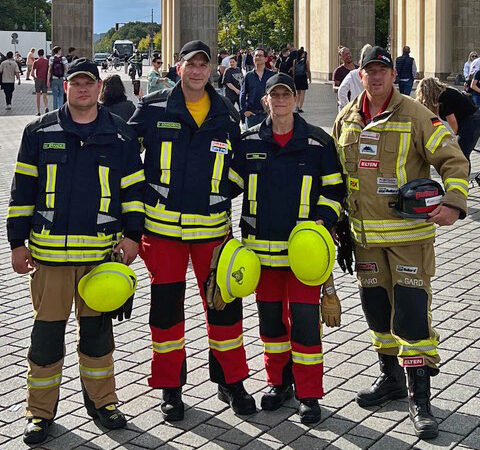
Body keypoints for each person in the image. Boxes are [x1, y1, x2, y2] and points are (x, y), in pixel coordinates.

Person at [333, 46, 469, 440]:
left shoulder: (416, 114)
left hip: (409, 240)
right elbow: (338, 177)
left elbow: (454, 160)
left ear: (393, 75)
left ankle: (420, 399)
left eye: (382, 71)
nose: (375, 77)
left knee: (411, 315)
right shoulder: (346, 118)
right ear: (360, 75)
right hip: (364, 243)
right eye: (369, 71)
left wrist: (453, 202)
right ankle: (390, 379)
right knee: (377, 313)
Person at [7, 57, 145, 445]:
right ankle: (39, 413)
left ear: (100, 88)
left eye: (89, 83)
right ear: (65, 86)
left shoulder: (120, 135)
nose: (83, 89)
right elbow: (22, 193)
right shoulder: (39, 131)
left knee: (98, 337)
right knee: (46, 339)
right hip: (49, 259)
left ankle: (103, 403)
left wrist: (133, 236)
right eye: (76, 83)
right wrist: (17, 243)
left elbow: (133, 191)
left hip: (101, 259)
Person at [129, 40, 255, 422]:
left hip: (212, 231)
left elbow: (240, 164)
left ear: (211, 69)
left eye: (204, 64)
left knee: (225, 308)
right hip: (162, 231)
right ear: (178, 68)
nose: (198, 71)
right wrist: (140, 196)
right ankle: (170, 388)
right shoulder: (151, 108)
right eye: (191, 64)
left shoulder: (226, 112)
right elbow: (124, 157)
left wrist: (219, 192)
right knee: (166, 312)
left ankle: (230, 380)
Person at [229, 73, 345, 424]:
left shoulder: (317, 141)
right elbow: (228, 185)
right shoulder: (248, 141)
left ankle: (309, 393)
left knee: (307, 326)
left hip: (302, 257)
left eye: (286, 94)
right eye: (274, 95)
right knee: (272, 326)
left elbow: (335, 189)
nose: (279, 100)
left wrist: (324, 220)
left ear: (296, 99)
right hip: (261, 256)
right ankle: (280, 383)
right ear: (265, 101)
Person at [416, 77, 480, 169]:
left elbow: (452, 120)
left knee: (461, 154)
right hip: (473, 117)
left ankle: (462, 176)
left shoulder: (444, 98)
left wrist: (456, 133)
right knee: (462, 151)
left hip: (472, 121)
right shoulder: (446, 91)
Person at [240, 48, 275, 128]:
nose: (258, 57)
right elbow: (243, 93)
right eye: (256, 56)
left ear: (266, 59)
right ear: (253, 58)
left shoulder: (271, 75)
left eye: (260, 55)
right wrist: (244, 111)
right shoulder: (248, 76)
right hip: (252, 115)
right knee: (251, 139)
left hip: (268, 114)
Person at [338, 44, 372, 109]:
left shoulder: (353, 74)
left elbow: (341, 91)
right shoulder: (376, 75)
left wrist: (347, 107)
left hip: (356, 107)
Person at [48, 46, 68, 110]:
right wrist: (66, 77)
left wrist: (48, 79)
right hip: (61, 78)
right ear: (59, 51)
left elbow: (50, 69)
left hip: (54, 78)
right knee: (61, 94)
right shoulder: (63, 58)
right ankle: (60, 109)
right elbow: (66, 68)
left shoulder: (51, 58)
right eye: (60, 50)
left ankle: (55, 109)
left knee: (55, 95)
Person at [292, 47, 311, 112]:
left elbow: (293, 71)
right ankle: (300, 107)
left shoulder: (295, 61)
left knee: (298, 93)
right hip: (303, 77)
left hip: (297, 78)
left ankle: (296, 106)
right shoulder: (306, 61)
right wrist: (310, 78)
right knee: (303, 93)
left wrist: (293, 78)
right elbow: (308, 70)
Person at [32, 49, 49, 116]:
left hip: (38, 80)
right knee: (44, 95)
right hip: (45, 79)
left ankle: (38, 111)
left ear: (38, 54)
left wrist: (35, 78)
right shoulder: (47, 61)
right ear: (43, 53)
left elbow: (32, 73)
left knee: (38, 96)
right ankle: (46, 107)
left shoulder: (36, 62)